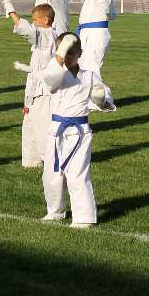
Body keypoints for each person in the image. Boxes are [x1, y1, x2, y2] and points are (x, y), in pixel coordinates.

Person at [40, 32, 115, 228]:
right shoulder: (55, 74)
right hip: (56, 130)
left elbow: (105, 94)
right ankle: (55, 211)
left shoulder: (89, 76)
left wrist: (103, 101)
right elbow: (50, 80)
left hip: (79, 131)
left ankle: (84, 217)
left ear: (80, 53)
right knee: (52, 173)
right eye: (63, 53)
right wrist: (61, 50)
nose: (67, 57)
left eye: (71, 53)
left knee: (77, 173)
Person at [4, 0, 58, 168]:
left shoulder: (47, 35)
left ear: (46, 20)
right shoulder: (46, 36)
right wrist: (24, 67)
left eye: (36, 20)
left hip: (43, 90)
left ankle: (49, 160)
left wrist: (11, 11)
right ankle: (31, 161)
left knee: (41, 126)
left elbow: (26, 30)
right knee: (29, 123)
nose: (34, 23)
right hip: (34, 86)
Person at [63, 0, 113, 74]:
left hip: (95, 33)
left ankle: (103, 93)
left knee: (92, 72)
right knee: (81, 69)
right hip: (87, 32)